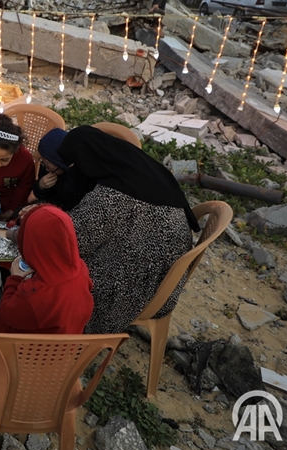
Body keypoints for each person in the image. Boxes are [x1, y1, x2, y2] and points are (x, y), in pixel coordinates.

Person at [44, 125, 199, 335]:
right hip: (168, 281)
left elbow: (72, 241)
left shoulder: (112, 195)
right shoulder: (136, 167)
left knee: (57, 271)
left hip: (141, 286)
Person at [0, 204, 93, 334]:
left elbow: (6, 313)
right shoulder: (81, 269)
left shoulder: (33, 295)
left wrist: (14, 278)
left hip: (31, 348)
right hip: (67, 342)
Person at [27, 128, 95, 212]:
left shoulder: (82, 175)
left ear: (62, 164)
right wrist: (40, 186)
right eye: (43, 162)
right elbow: (43, 196)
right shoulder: (48, 165)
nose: (46, 169)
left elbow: (82, 206)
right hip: (51, 205)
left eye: (49, 166)